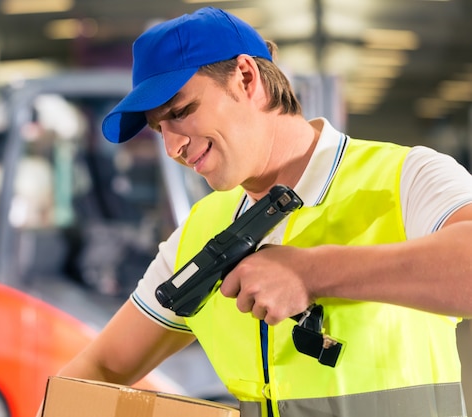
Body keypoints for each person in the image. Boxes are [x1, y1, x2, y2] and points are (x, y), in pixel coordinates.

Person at [50, 6, 472, 417]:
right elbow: (100, 370)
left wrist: (311, 273)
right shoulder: (199, 235)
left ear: (247, 77)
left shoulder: (405, 178)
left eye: (180, 112)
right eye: (160, 127)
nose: (172, 146)